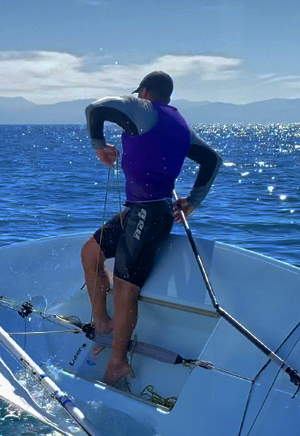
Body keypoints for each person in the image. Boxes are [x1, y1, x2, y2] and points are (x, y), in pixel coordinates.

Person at [81, 71, 222, 387]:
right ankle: (102, 323)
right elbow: (212, 160)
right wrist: (193, 201)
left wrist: (99, 145)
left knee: (125, 288)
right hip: (140, 211)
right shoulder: (181, 126)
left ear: (144, 92)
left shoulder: (143, 108)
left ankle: (117, 363)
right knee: (90, 253)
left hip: (149, 215)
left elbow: (96, 108)